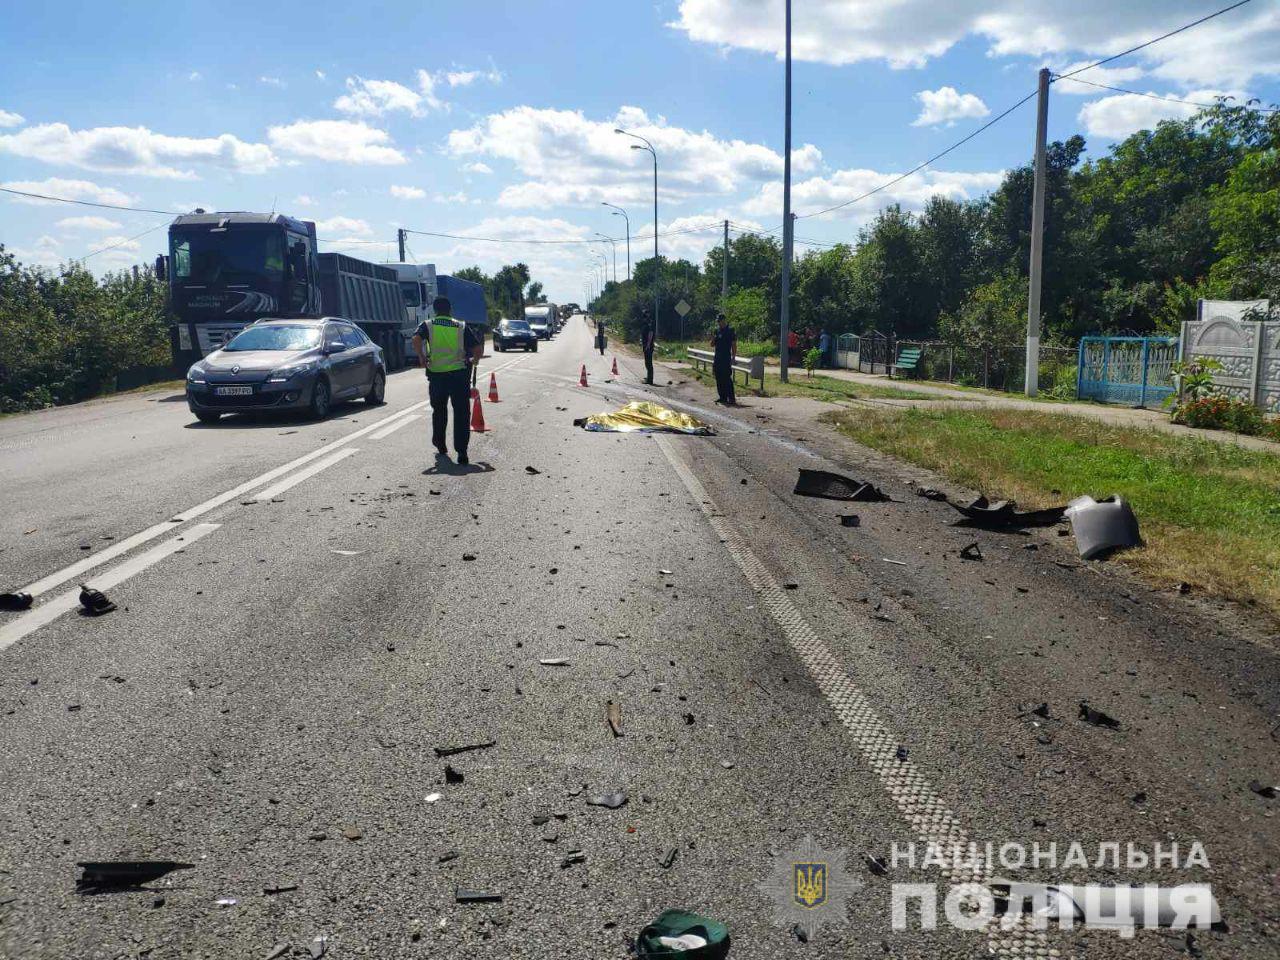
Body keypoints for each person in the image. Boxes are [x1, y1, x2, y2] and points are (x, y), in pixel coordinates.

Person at [412, 296, 483, 465]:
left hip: (437, 375)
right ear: (450, 309)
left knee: (439, 411)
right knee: (461, 413)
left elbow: (415, 339)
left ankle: (440, 444)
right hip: (459, 375)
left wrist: (422, 357)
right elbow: (478, 348)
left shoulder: (428, 325)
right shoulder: (461, 326)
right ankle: (462, 452)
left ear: (435, 310)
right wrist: (475, 360)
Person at [711, 312, 737, 405]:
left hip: (726, 358)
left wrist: (733, 357)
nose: (719, 323)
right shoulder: (717, 331)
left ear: (724, 320)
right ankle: (722, 397)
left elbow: (734, 345)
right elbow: (712, 345)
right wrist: (713, 338)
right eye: (718, 322)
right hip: (717, 357)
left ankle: (731, 398)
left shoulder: (730, 330)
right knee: (718, 377)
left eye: (720, 321)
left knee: (726, 378)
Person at [640, 312, 656, 385]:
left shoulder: (649, 324)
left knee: (648, 363)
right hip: (646, 345)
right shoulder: (646, 323)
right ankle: (649, 377)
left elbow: (650, 334)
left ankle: (650, 380)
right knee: (647, 362)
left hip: (648, 346)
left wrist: (648, 345)